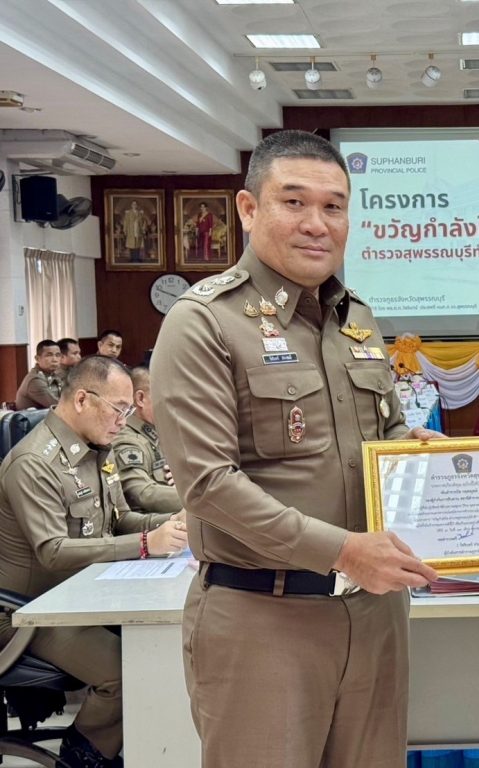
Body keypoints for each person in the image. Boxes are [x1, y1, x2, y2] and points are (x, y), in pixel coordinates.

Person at [150, 130, 440, 768]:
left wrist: (418, 453)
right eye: (294, 202)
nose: (317, 223)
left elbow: (382, 436)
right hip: (263, 615)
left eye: (334, 206)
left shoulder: (356, 317)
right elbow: (207, 484)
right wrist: (342, 551)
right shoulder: (204, 321)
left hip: (375, 615)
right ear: (248, 208)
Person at [0, 355, 187, 767]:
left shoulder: (95, 449)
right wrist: (145, 544)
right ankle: (83, 754)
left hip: (79, 597)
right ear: (82, 399)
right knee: (127, 670)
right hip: (26, 614)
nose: (124, 421)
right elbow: (54, 551)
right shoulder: (34, 463)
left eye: (129, 411)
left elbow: (119, 520)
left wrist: (172, 523)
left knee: (158, 647)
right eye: (118, 409)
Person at [111, 367, 181, 515]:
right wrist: (198, 500)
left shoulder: (158, 431)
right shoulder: (127, 440)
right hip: (151, 523)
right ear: (140, 399)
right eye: (165, 399)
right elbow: (143, 493)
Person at [14, 339, 62, 409]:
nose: (55, 359)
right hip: (34, 416)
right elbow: (58, 406)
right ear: (37, 358)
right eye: (49, 355)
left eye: (58, 355)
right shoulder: (35, 380)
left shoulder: (54, 375)